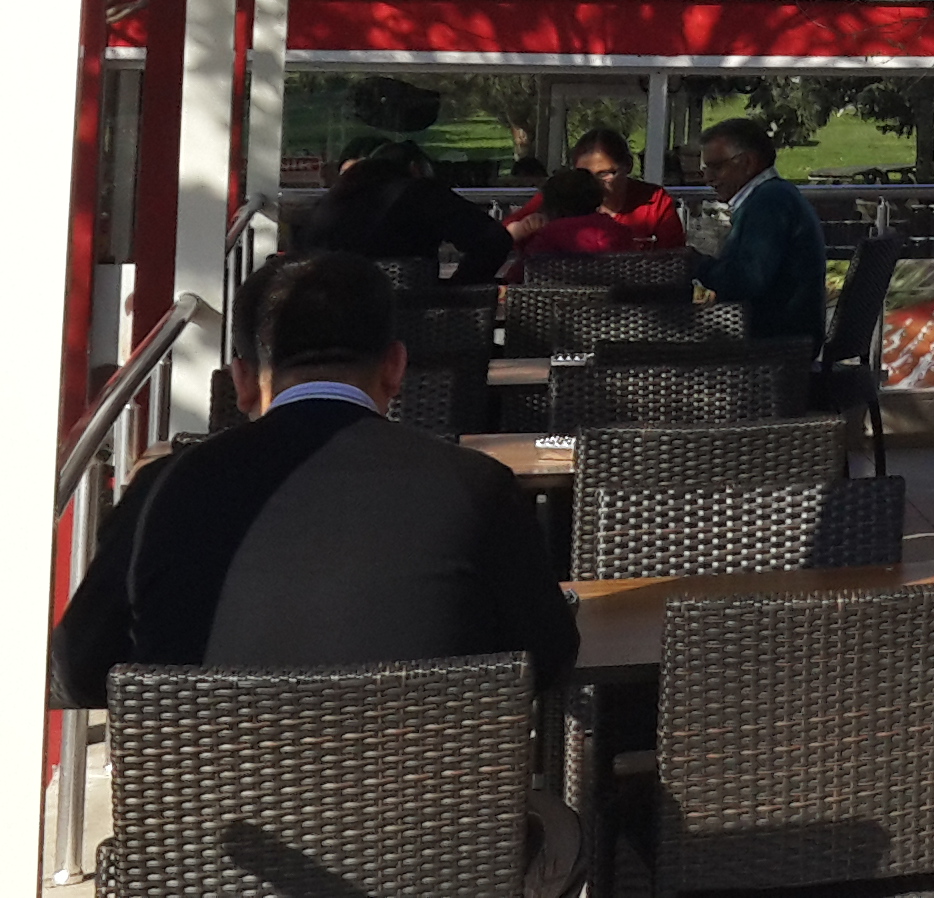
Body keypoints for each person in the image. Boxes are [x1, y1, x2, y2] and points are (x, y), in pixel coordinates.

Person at [58, 254, 575, 700]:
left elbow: (77, 672)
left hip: (209, 785)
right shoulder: (477, 487)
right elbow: (548, 659)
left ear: (241, 380)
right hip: (423, 784)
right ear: (395, 368)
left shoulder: (161, 493)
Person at [299, 137, 514, 285]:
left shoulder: (332, 200)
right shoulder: (419, 192)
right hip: (411, 319)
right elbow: (494, 239)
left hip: (329, 314)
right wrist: (456, 291)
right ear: (415, 168)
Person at [692, 119, 827, 345]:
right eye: (706, 169)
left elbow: (746, 281)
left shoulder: (769, 203)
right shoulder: (776, 195)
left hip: (775, 343)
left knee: (661, 347)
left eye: (716, 167)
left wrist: (696, 264)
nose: (708, 178)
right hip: (789, 337)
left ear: (748, 162)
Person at [506, 126, 684, 253]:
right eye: (584, 175)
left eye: (604, 174)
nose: (593, 183)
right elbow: (503, 236)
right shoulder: (561, 194)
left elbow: (674, 256)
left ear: (628, 166)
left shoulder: (654, 201)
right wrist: (524, 228)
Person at [502, 165, 640, 280]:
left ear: (549, 205)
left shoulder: (550, 235)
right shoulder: (621, 231)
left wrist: (520, 239)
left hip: (555, 301)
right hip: (614, 302)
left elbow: (520, 274)